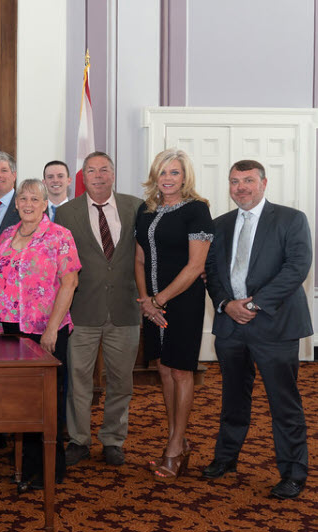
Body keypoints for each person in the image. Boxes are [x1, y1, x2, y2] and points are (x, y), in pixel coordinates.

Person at [203, 160, 311, 499]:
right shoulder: (219, 225)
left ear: (264, 183)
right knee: (233, 398)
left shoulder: (291, 219)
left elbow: (297, 268)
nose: (241, 188)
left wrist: (254, 304)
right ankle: (226, 459)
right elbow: (212, 273)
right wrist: (226, 304)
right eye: (234, 181)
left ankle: (293, 473)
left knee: (284, 402)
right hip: (230, 326)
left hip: (274, 324)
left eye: (248, 180)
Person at [0, 179, 80, 492]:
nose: (28, 204)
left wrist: (53, 327)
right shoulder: (5, 235)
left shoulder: (59, 236)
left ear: (45, 204)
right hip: (11, 329)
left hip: (46, 329)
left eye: (35, 199)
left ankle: (51, 469)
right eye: (23, 199)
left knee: (47, 402)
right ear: (16, 204)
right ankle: (27, 464)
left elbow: (69, 283)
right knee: (21, 402)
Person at [53, 152, 142, 468]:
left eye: (104, 169)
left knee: (121, 381)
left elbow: (145, 255)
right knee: (78, 381)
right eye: (91, 170)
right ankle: (78, 439)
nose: (98, 175)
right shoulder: (65, 213)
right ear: (83, 177)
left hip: (125, 310)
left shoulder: (136, 207)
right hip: (81, 311)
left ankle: (113, 440)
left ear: (113, 174)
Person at [134, 149, 212, 479]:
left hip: (182, 301)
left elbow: (196, 266)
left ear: (185, 176)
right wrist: (145, 300)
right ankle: (174, 440)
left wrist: (160, 299)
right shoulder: (145, 209)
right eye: (163, 172)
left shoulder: (197, 210)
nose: (168, 178)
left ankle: (176, 447)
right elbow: (138, 259)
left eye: (175, 173)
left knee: (181, 370)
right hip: (150, 304)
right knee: (163, 369)